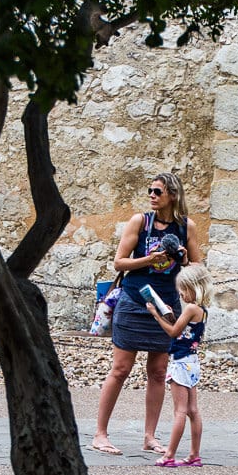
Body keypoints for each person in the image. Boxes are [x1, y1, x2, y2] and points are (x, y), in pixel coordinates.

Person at [91, 172, 202, 455]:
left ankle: (150, 436)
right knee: (121, 368)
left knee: (158, 371)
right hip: (134, 300)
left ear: (173, 196)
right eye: (150, 190)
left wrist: (184, 259)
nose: (151, 195)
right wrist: (149, 259)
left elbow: (198, 269)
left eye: (157, 191)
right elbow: (119, 262)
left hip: (167, 305)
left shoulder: (186, 228)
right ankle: (100, 433)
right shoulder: (140, 222)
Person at [145, 263, 213, 467]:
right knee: (193, 410)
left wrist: (156, 314)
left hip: (181, 363)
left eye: (183, 290)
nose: (181, 294)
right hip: (193, 362)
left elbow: (174, 332)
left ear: (193, 288)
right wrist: (172, 317)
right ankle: (194, 454)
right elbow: (183, 330)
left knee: (180, 411)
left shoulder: (191, 308)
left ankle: (169, 455)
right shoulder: (202, 310)